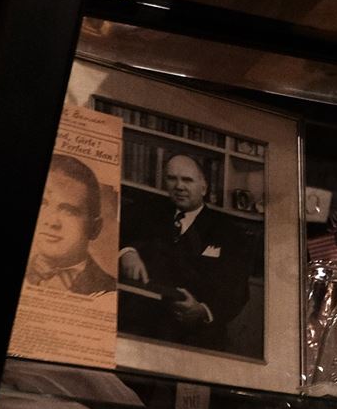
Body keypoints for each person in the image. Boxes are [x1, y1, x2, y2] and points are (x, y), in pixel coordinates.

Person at [118, 150, 255, 351]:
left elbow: (237, 289)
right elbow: (117, 233)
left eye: (187, 180)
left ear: (204, 187)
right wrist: (127, 252)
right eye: (172, 179)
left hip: (193, 334)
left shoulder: (228, 232)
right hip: (139, 325)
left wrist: (202, 311)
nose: (179, 186)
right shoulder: (146, 211)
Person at [25, 153, 115, 296]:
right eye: (43, 204)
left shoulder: (109, 291)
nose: (52, 222)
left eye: (69, 211)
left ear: (94, 228)